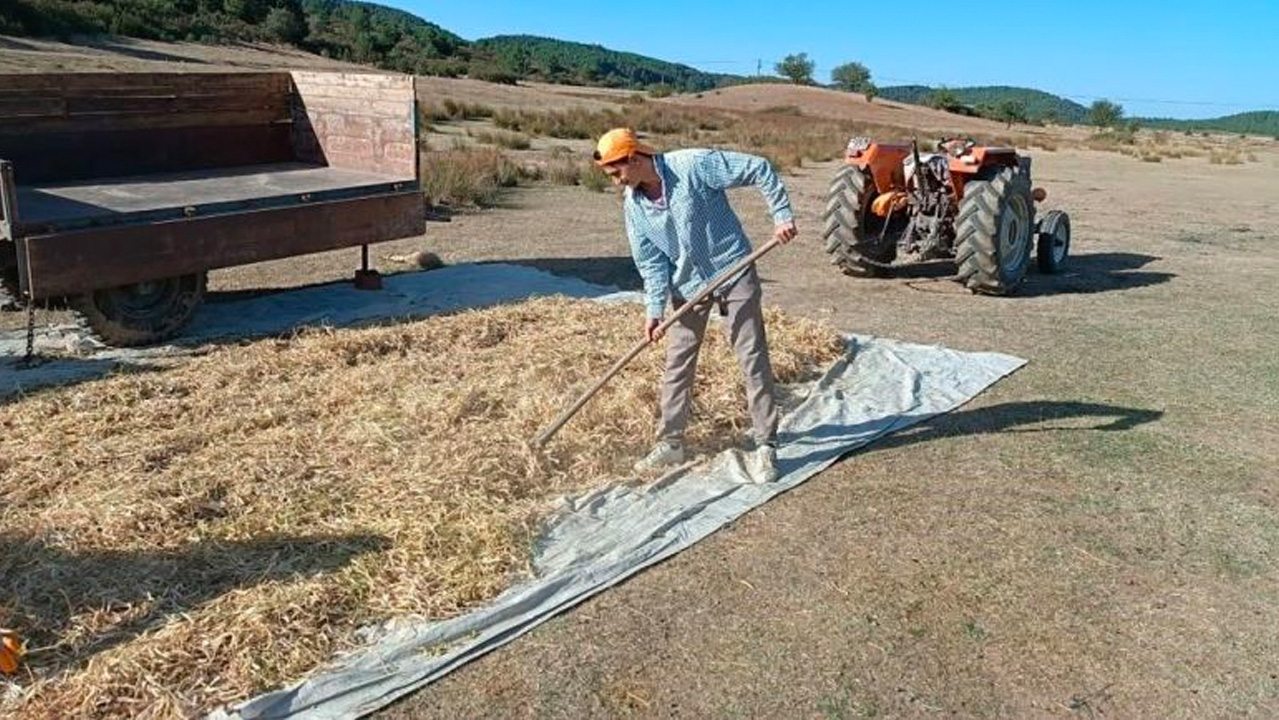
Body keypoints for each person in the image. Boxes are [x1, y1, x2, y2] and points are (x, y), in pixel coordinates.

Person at [593, 128, 798, 482]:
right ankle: (671, 443)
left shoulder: (693, 166)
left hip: (732, 270)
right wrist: (654, 311)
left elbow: (759, 168)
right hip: (688, 286)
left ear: (634, 158)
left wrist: (781, 215)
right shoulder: (634, 205)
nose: (616, 182)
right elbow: (652, 262)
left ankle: (766, 444)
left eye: (617, 172)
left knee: (751, 355)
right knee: (678, 361)